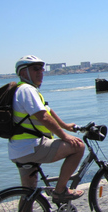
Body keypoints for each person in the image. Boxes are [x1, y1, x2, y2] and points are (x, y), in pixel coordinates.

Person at [10, 55, 86, 202]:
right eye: (35, 69)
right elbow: (43, 117)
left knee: (28, 194)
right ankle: (60, 191)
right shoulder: (27, 90)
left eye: (42, 69)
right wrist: (65, 136)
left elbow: (47, 110)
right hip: (31, 147)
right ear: (23, 72)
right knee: (78, 146)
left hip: (18, 149)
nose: (41, 72)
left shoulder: (21, 90)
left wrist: (64, 126)